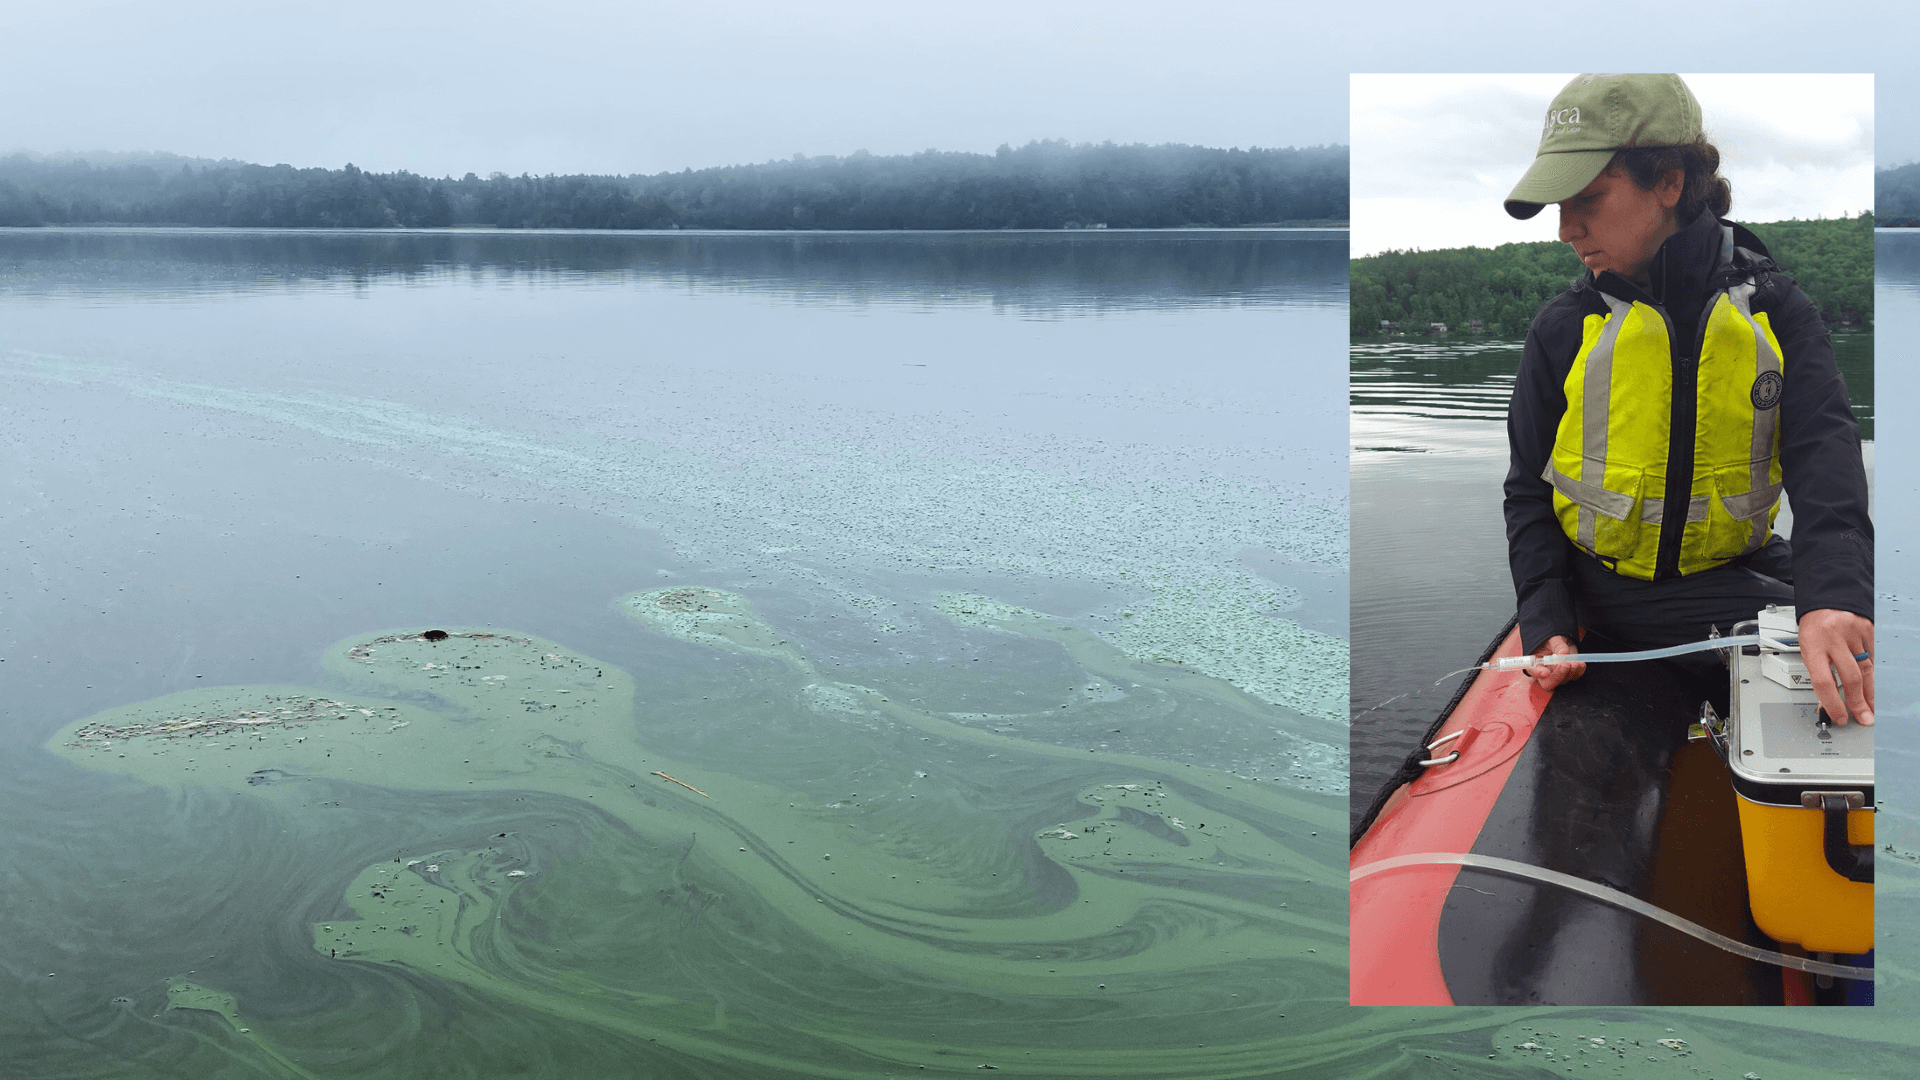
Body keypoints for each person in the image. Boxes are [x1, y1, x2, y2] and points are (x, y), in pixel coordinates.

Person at [1500, 74, 1875, 724]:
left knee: (1860, 613)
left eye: (1585, 197)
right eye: (1557, 205)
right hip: (1613, 589)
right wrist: (1547, 619)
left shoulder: (1777, 311)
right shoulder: (1563, 327)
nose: (1566, 227)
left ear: (1669, 182)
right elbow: (1527, 491)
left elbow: (1826, 471)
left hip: (1742, 565)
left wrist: (1834, 598)